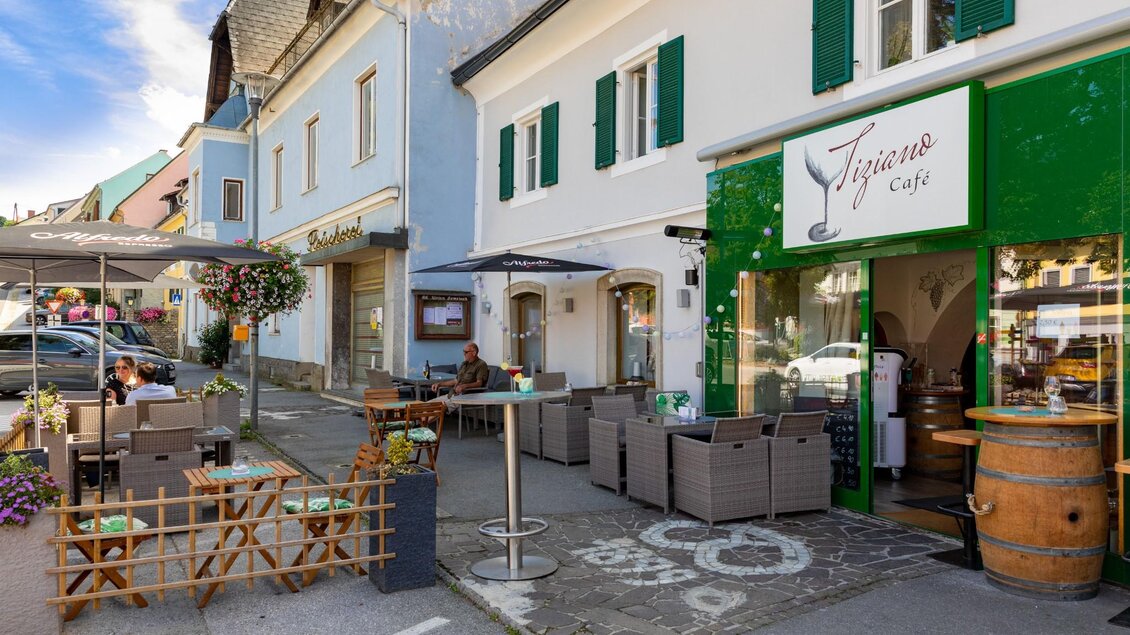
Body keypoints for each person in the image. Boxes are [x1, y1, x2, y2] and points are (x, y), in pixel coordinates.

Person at [429, 342, 489, 413]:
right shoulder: (464, 364)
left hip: (466, 396)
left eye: (466, 352)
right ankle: (420, 423)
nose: (464, 354)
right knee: (427, 405)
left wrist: (464, 386)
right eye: (463, 351)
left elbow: (479, 383)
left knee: (439, 407)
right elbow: (456, 380)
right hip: (453, 394)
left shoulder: (481, 364)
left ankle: (422, 423)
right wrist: (440, 384)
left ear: (474, 352)